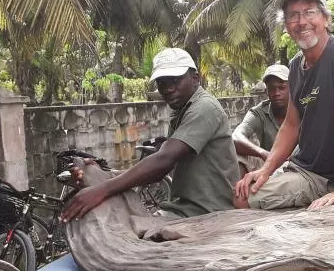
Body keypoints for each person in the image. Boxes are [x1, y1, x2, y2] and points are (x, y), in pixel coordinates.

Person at [234, 0, 334, 211]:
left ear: (326, 19)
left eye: (309, 12)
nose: (302, 22)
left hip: (325, 177)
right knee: (243, 187)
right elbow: (291, 125)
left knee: (242, 200)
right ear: (286, 25)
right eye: (293, 16)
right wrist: (266, 170)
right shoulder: (296, 65)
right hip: (302, 166)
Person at [62, 48, 240, 221]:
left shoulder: (204, 108)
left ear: (195, 79)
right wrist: (104, 174)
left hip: (205, 214)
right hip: (185, 210)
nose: (168, 89)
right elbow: (161, 166)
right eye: (162, 83)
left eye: (176, 80)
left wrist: (101, 190)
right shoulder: (183, 111)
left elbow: (163, 161)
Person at [232, 64, 289, 174]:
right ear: (266, 91)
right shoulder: (259, 112)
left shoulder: (302, 109)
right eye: (272, 88)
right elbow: (236, 136)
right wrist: (263, 153)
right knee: (239, 155)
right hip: (270, 165)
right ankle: (240, 190)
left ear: (292, 87)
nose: (277, 93)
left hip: (298, 167)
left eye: (281, 88)